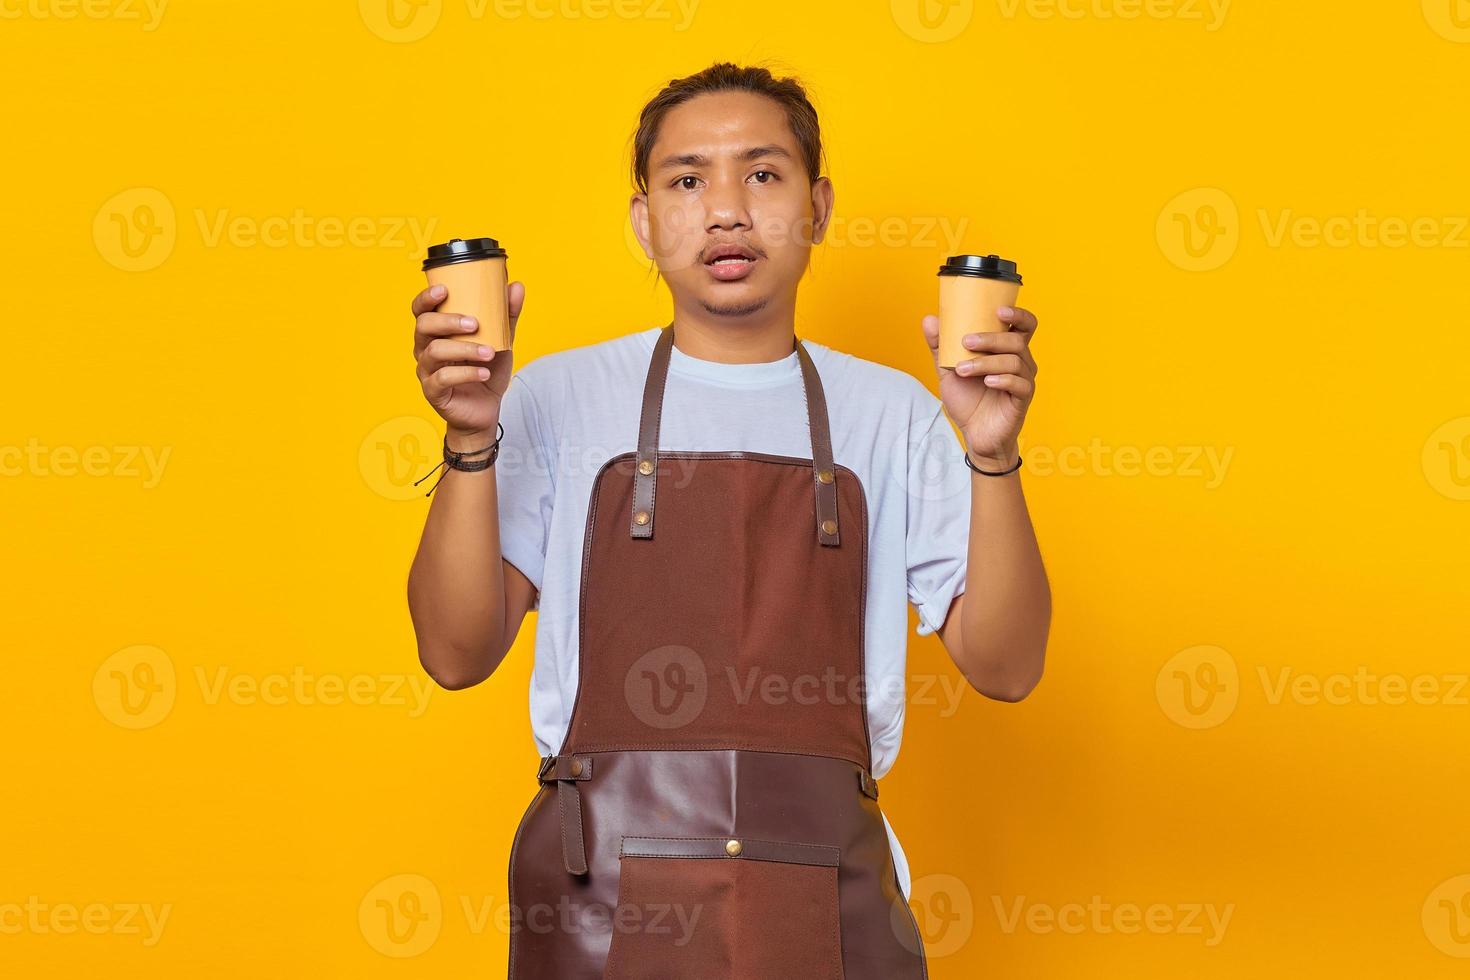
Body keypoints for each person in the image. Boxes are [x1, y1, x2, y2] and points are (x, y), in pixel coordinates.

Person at [406, 61, 1050, 978]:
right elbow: (454, 653)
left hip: (826, 892)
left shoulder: (895, 411)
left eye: (762, 173)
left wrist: (991, 453)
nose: (726, 211)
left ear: (818, 207)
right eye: (686, 179)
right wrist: (471, 438)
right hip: (602, 904)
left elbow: (1009, 665)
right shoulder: (554, 397)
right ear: (644, 222)